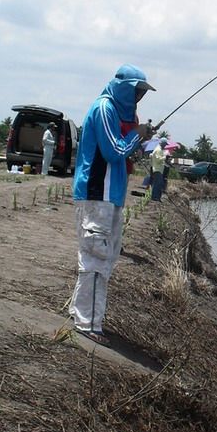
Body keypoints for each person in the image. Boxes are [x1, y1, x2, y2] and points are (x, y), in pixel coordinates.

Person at [69, 64, 154, 346]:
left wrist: (140, 137)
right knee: (97, 257)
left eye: (142, 93)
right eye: (137, 91)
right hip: (97, 192)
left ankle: (82, 313)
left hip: (112, 194)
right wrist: (135, 134)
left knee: (106, 256)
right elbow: (113, 150)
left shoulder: (125, 115)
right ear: (124, 87)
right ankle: (88, 323)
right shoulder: (104, 108)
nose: (139, 97)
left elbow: (126, 150)